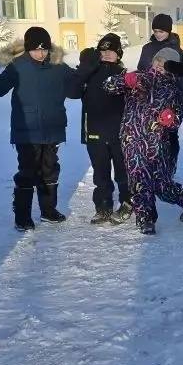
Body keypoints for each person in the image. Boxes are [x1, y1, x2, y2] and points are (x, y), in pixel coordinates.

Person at [0, 27, 75, 231]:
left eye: (44, 49)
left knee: (50, 170)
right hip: (26, 129)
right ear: (27, 49)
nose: (41, 53)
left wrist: (88, 70)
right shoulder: (18, 66)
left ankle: (48, 210)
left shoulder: (59, 66)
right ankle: (23, 216)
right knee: (28, 172)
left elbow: (76, 86)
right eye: (36, 49)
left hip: (52, 128)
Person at [105, 49, 183, 235]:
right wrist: (124, 80)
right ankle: (146, 219)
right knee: (138, 182)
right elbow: (108, 86)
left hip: (158, 143)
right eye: (158, 60)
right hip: (132, 138)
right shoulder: (138, 78)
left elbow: (176, 122)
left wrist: (170, 119)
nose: (160, 64)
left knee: (161, 186)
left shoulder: (175, 90)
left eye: (165, 63)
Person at [71, 34, 131, 225]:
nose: (106, 55)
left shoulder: (125, 75)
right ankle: (103, 207)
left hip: (119, 133)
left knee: (123, 173)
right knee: (101, 174)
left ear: (118, 54)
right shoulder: (89, 74)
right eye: (102, 51)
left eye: (111, 51)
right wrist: (85, 69)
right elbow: (71, 92)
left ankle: (127, 203)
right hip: (95, 132)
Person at [137, 14, 183, 170]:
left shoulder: (176, 49)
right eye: (155, 31)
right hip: (150, 95)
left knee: (170, 133)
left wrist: (169, 75)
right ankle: (151, 166)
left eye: (162, 31)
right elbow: (141, 69)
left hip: (170, 97)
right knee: (150, 131)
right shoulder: (147, 48)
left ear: (169, 31)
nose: (158, 34)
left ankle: (170, 166)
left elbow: (182, 74)